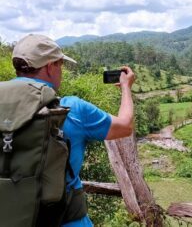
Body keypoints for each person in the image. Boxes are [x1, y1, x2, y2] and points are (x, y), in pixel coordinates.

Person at [11, 34, 135, 227]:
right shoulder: (71, 109)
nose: (61, 70)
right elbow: (125, 126)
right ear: (50, 65)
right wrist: (126, 88)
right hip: (65, 219)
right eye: (61, 64)